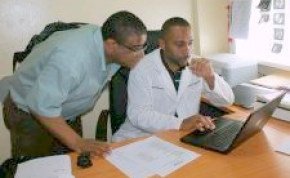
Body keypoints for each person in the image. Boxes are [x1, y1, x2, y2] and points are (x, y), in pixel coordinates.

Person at [2, 11, 147, 157]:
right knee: (35, 168)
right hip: (30, 114)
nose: (142, 55)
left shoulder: (108, 43)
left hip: (64, 111)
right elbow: (40, 106)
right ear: (111, 45)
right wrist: (77, 142)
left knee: (71, 164)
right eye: (136, 49)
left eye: (143, 46)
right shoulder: (72, 59)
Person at [113, 17, 234, 142]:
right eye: (180, 44)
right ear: (162, 44)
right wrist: (180, 123)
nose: (187, 50)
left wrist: (210, 77)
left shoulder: (197, 64)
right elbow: (139, 115)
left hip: (183, 137)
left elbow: (227, 101)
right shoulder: (141, 67)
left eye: (190, 43)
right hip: (141, 137)